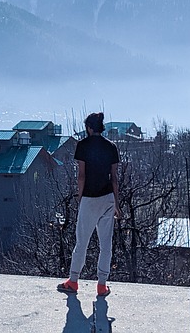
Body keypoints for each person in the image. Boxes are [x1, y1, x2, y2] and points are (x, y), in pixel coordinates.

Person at [57, 112, 120, 297]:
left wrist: (80, 195)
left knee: (82, 242)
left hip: (89, 198)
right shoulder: (111, 147)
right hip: (108, 197)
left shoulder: (82, 145)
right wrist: (117, 203)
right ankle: (102, 285)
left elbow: (81, 175)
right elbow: (114, 178)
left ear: (89, 128)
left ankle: (73, 281)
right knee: (105, 244)